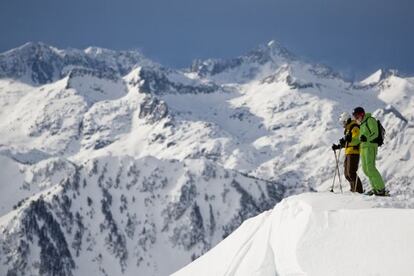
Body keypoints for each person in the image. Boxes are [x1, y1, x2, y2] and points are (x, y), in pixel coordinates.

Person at [352, 107, 386, 196]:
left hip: (371, 146)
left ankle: (381, 189)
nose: (356, 119)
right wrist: (348, 141)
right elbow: (359, 139)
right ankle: (375, 188)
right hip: (363, 148)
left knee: (371, 168)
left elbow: (375, 133)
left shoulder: (370, 120)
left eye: (356, 116)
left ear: (362, 114)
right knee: (366, 170)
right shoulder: (362, 124)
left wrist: (367, 138)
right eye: (354, 117)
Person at [332, 112, 363, 193]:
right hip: (348, 152)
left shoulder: (354, 127)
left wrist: (347, 141)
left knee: (351, 172)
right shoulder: (348, 129)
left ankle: (358, 191)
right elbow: (348, 141)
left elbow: (356, 140)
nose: (343, 124)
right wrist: (339, 146)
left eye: (343, 122)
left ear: (347, 120)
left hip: (354, 152)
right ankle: (353, 189)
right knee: (347, 174)